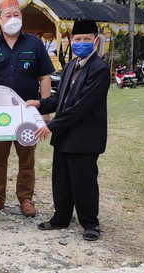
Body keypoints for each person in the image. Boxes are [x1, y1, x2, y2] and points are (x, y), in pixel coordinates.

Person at [26, 19, 110, 241]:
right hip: (65, 135)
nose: (82, 43)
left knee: (83, 181)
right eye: (78, 39)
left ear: (96, 41)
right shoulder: (71, 66)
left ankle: (90, 223)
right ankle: (61, 217)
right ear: (71, 41)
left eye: (87, 39)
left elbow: (81, 106)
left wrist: (51, 126)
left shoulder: (100, 69)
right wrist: (40, 104)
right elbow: (61, 98)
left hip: (85, 136)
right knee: (61, 179)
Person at [0, 0, 53, 216]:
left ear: (21, 17)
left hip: (27, 112)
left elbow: (44, 77)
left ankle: (26, 199)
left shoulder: (35, 44)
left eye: (16, 14)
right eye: (8, 15)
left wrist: (44, 111)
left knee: (27, 159)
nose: (13, 18)